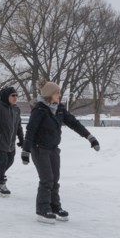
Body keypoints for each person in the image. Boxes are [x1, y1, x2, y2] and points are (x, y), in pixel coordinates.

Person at [21, 82, 100, 223]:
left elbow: (74, 123)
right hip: (39, 149)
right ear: (50, 94)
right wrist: (26, 150)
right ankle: (42, 210)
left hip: (53, 149)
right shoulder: (40, 110)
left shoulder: (59, 109)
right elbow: (30, 130)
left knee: (55, 179)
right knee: (47, 179)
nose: (60, 95)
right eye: (57, 93)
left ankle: (54, 206)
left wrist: (90, 137)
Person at [0, 86, 24, 196]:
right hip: (0, 142)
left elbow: (18, 126)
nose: (15, 97)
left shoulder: (16, 109)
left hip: (11, 143)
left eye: (16, 95)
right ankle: (1, 183)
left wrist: (21, 139)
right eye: (13, 95)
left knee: (10, 161)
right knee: (1, 164)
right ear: (6, 96)